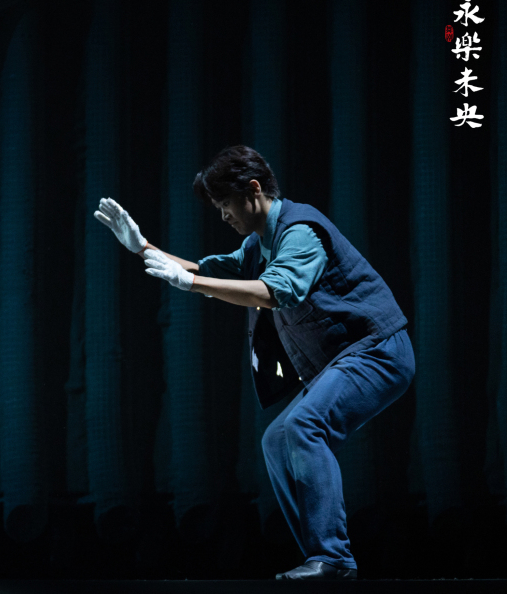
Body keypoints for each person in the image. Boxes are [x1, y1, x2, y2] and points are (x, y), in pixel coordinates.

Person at [95, 145, 414, 581]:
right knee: (277, 439)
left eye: (225, 204)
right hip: (347, 359)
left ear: (254, 190)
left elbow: (274, 291)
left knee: (304, 426)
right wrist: (142, 247)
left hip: (378, 352)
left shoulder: (300, 232)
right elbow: (208, 272)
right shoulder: (257, 245)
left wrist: (190, 283)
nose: (223, 215)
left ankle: (333, 558)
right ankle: (321, 558)